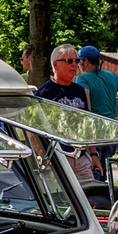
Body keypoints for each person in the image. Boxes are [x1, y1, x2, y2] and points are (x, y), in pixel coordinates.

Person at [33, 44, 96, 183]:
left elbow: (88, 124)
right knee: (61, 200)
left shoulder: (80, 90)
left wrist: (94, 154)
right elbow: (33, 130)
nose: (75, 65)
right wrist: (45, 156)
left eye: (77, 61)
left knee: (91, 196)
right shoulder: (44, 93)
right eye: (69, 61)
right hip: (58, 157)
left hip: (82, 157)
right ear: (56, 65)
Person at [76, 46, 118, 122]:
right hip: (111, 126)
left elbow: (86, 106)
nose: (77, 64)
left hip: (94, 127)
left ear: (86, 62)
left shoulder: (82, 79)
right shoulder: (112, 75)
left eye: (78, 61)